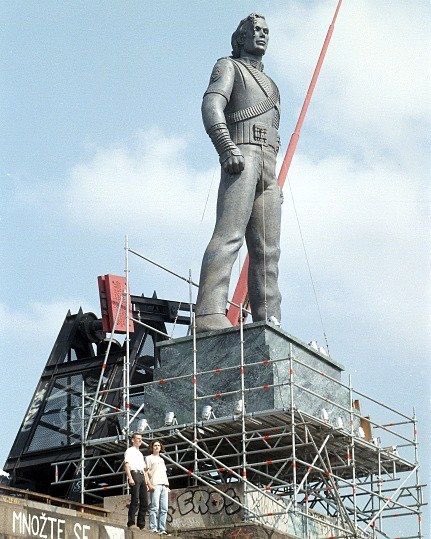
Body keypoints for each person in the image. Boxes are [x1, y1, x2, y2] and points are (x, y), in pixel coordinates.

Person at [195, 13, 282, 333]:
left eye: (265, 31)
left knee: (268, 253)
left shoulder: (272, 85)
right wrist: (225, 145)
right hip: (241, 155)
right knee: (229, 235)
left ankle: (269, 319)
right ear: (240, 38)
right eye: (255, 30)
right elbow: (211, 106)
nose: (261, 35)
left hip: (269, 168)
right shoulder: (228, 66)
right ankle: (208, 312)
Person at [124, 432, 150, 529]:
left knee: (145, 502)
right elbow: (126, 465)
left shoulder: (140, 453)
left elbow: (144, 469)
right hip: (134, 474)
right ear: (133, 440)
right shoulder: (129, 451)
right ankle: (131, 523)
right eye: (138, 438)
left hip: (142, 475)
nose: (140, 440)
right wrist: (130, 477)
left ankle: (141, 524)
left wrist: (147, 482)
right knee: (135, 499)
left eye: (141, 439)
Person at [146, 440, 171, 535]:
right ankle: (153, 527)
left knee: (164, 508)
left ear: (161, 447)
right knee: (154, 507)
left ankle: (162, 528)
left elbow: (163, 473)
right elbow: (146, 472)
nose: (157, 447)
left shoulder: (162, 459)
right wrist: (149, 484)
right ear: (152, 447)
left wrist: (167, 485)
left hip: (164, 484)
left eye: (158, 445)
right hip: (155, 484)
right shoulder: (148, 458)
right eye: (155, 445)